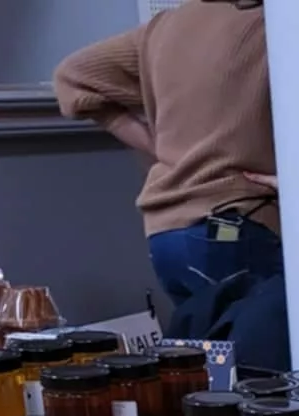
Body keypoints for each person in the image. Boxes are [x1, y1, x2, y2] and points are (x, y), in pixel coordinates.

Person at [54, 0, 281, 317]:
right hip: (237, 224)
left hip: (167, 235)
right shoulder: (276, 24)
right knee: (273, 345)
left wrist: (157, 147)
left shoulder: (166, 26)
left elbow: (72, 74)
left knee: (209, 346)